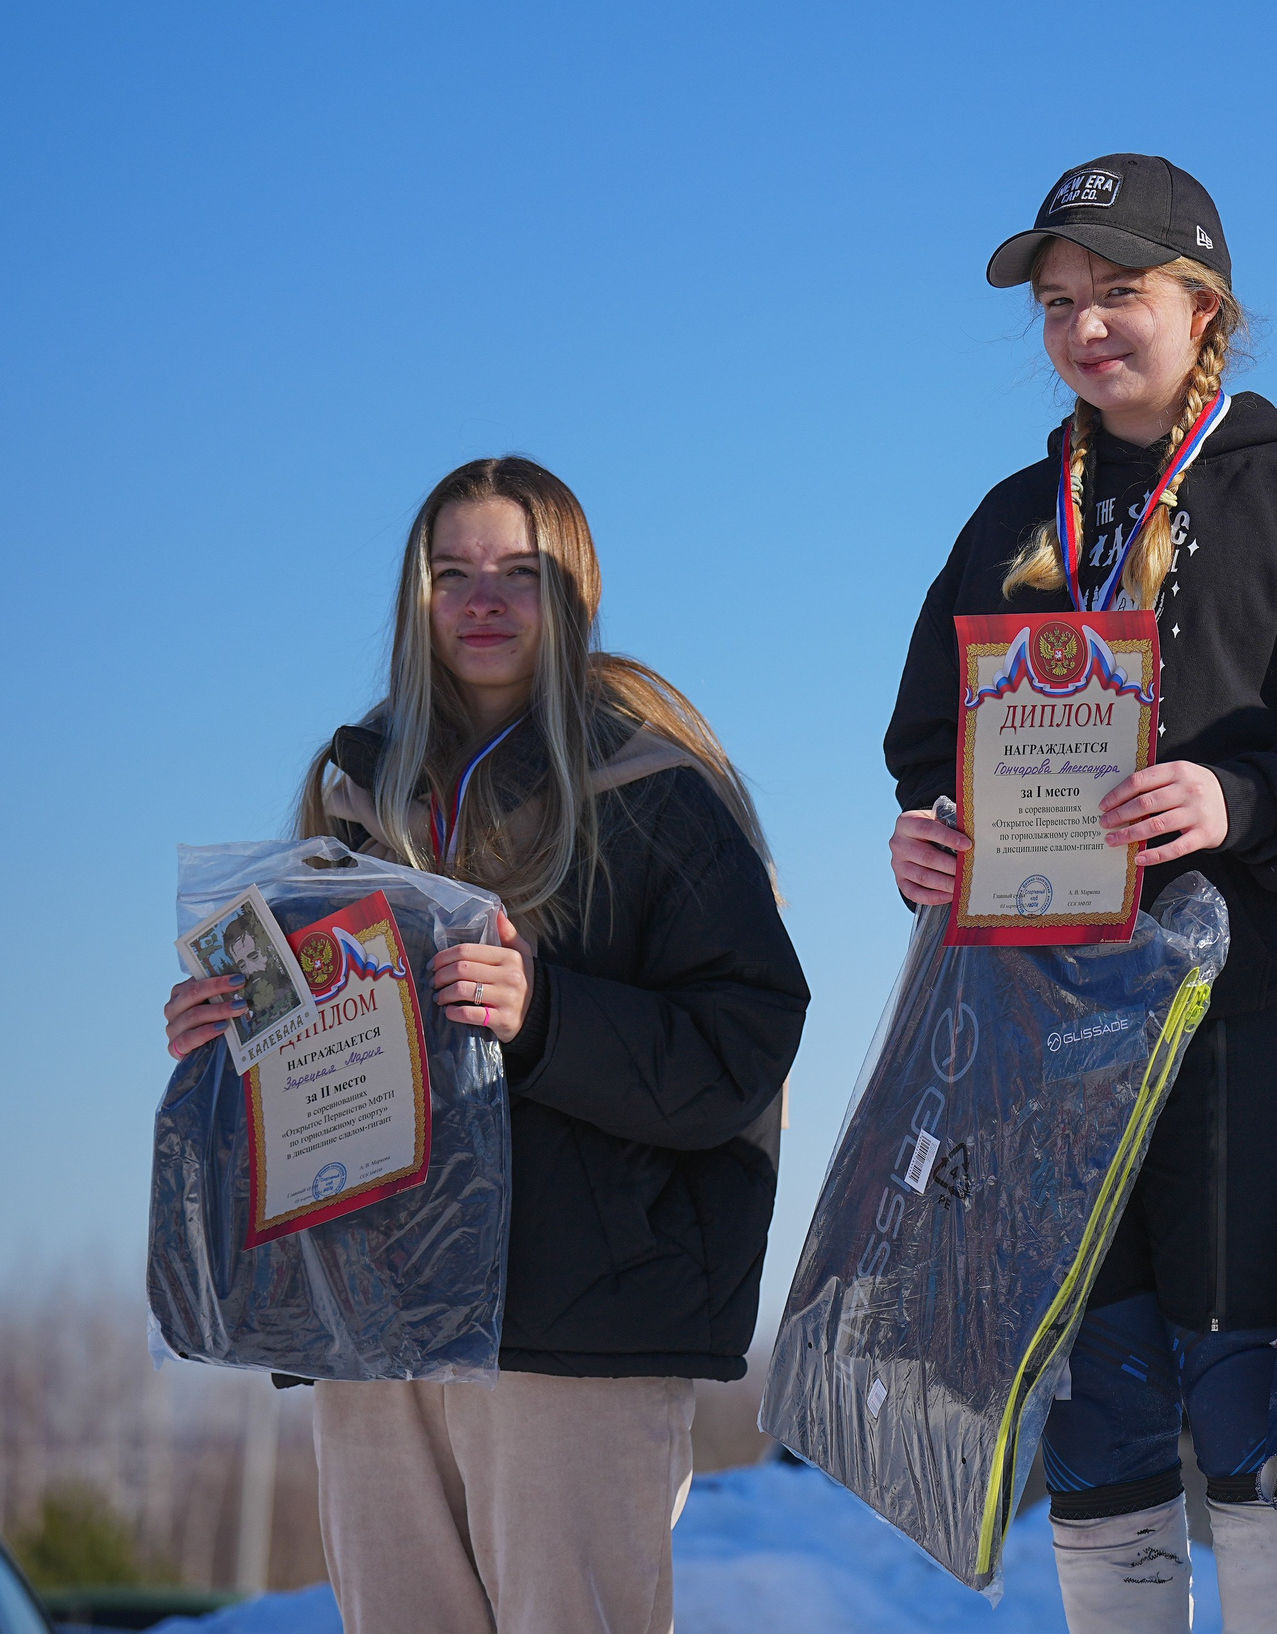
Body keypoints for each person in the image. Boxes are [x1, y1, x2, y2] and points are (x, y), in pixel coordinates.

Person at [883, 154, 1277, 1634]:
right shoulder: (1014, 514)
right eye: (1062, 302)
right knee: (1096, 1394)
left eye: (1117, 293)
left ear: (1206, 306)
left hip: (1254, 1005)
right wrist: (927, 836)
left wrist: (1237, 800)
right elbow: (924, 745)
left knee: (1251, 1397)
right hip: (1045, 1026)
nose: (1085, 326)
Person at [160, 457, 808, 1634]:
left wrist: (545, 1014)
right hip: (377, 1322)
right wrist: (226, 1042)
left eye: (520, 572)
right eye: (451, 574)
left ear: (576, 594)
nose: (483, 600)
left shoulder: (658, 789)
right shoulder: (351, 796)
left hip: (573, 1326)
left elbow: (743, 1048)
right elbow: (315, 1048)